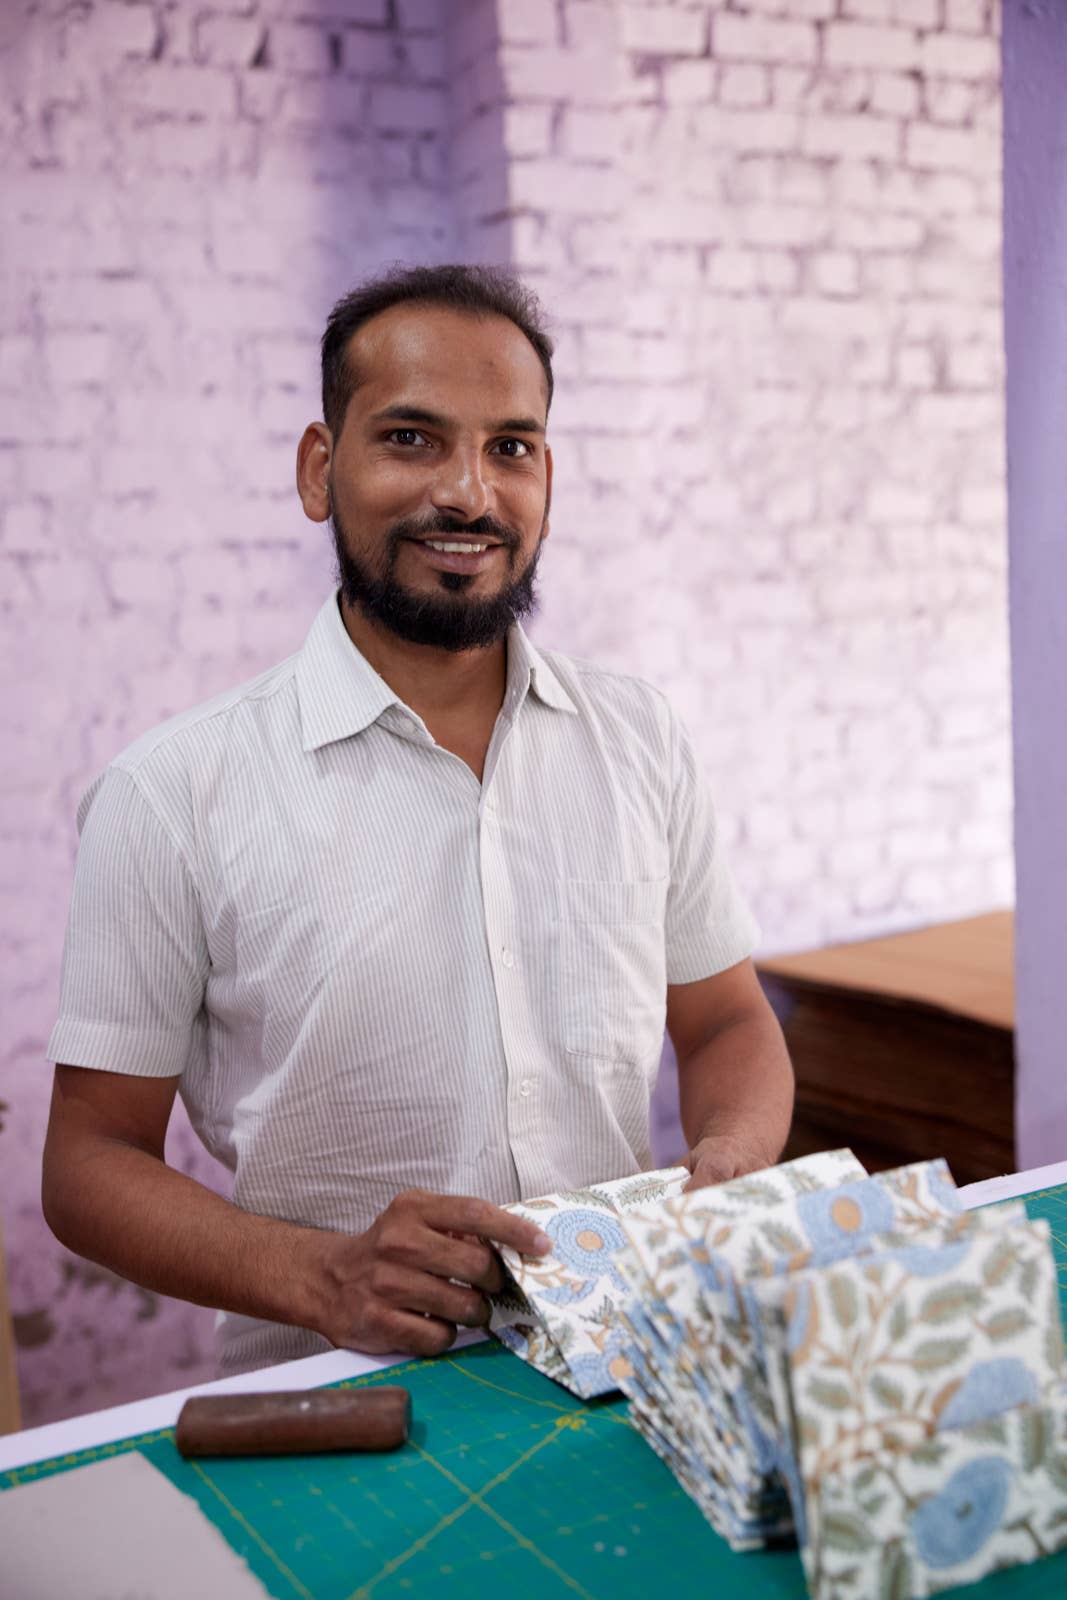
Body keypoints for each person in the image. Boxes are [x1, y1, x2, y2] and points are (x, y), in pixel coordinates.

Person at [42, 265, 794, 1377]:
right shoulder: (171, 794)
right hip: (339, 1400)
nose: (468, 494)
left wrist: (728, 1160)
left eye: (511, 447)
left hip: (633, 1363)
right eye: (409, 438)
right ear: (319, 467)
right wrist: (324, 1276)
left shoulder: (639, 740)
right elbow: (89, 1163)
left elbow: (727, 1020)